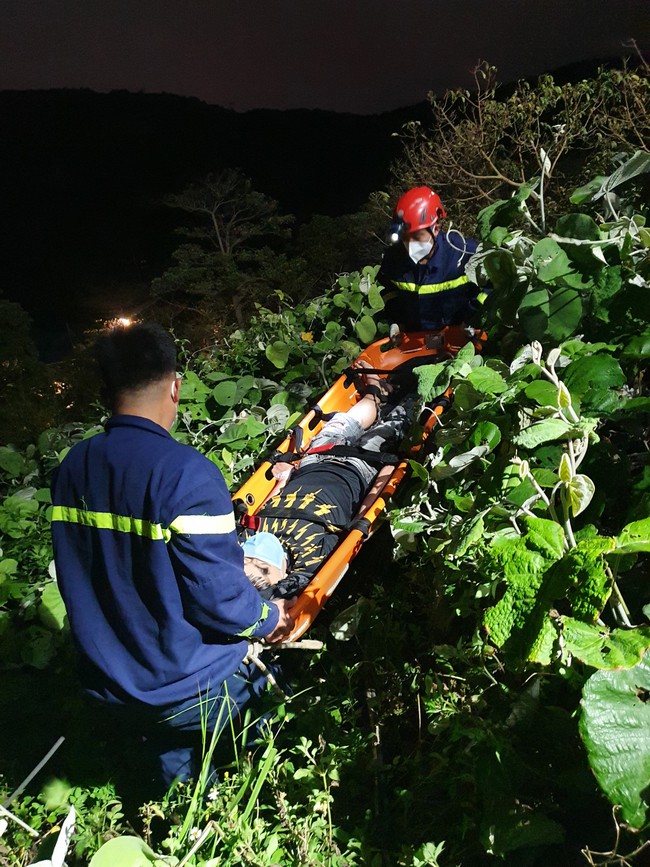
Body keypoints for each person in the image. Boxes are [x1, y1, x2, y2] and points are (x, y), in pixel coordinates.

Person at [50, 322, 295, 787]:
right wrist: (270, 619)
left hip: (111, 686)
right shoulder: (185, 474)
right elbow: (218, 599)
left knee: (179, 782)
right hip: (185, 690)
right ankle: (268, 785)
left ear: (106, 390)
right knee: (276, 682)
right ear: (175, 386)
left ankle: (180, 801)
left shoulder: (72, 468)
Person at [244, 368, 417, 599]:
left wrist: (285, 478)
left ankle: (375, 394)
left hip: (315, 459)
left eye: (246, 559)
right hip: (360, 466)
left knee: (345, 420)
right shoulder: (310, 560)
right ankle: (414, 393)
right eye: (263, 568)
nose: (256, 555)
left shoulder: (245, 536)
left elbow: (270, 504)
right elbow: (358, 524)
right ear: (283, 576)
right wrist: (386, 474)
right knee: (398, 422)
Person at [379, 185, 487, 333]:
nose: (410, 244)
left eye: (417, 236)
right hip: (414, 341)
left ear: (435, 229)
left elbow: (491, 287)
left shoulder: (465, 252)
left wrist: (473, 317)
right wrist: (396, 321)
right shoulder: (393, 260)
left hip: (458, 339)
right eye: (405, 237)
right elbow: (388, 290)